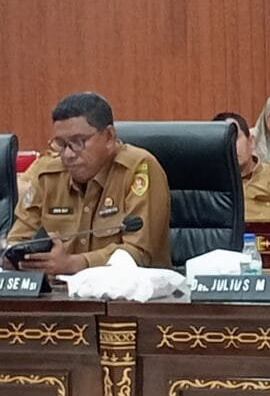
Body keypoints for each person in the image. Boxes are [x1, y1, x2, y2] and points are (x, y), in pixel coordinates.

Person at [6, 92, 171, 274]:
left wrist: (74, 264)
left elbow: (139, 252)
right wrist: (17, 257)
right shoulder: (47, 174)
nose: (68, 154)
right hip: (56, 290)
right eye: (61, 143)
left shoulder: (137, 169)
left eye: (78, 142)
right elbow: (17, 240)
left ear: (109, 137)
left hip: (127, 290)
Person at [213, 112, 270, 221]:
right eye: (223, 140)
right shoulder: (205, 183)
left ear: (251, 142)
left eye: (235, 138)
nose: (231, 146)